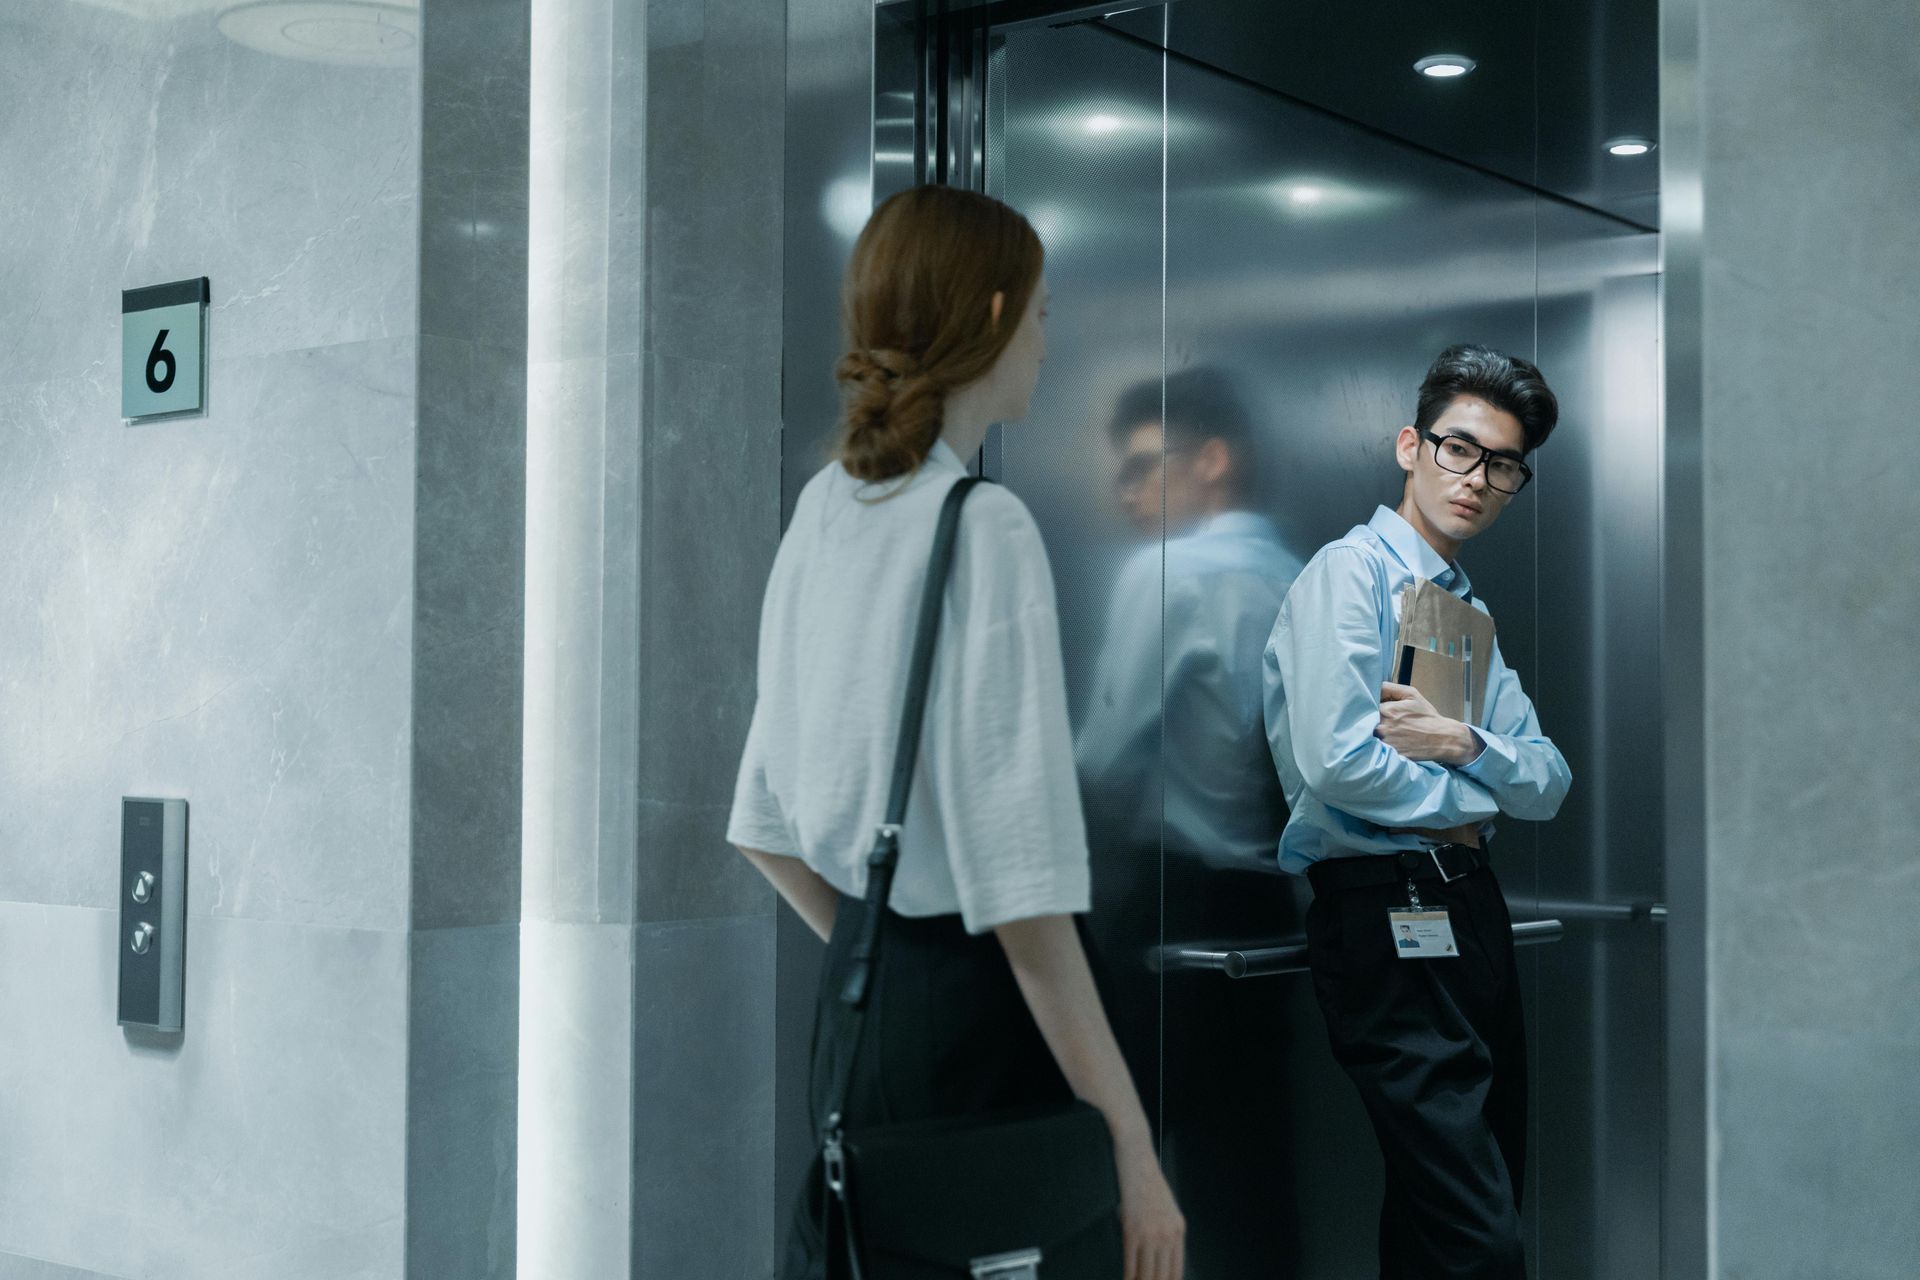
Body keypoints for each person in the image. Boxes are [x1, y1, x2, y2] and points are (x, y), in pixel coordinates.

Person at [727, 184, 1185, 1280]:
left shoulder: (820, 513)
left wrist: (882, 950)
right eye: (1038, 310)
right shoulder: (984, 526)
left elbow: (760, 826)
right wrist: (1135, 1151)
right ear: (991, 312)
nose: (1044, 335)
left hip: (869, 1010)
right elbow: (1023, 900)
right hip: (985, 1028)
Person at [1263, 344, 1573, 1278]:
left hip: (1467, 906)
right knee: (1476, 1234)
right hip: (1384, 907)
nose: (1477, 479)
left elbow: (1551, 780)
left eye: (1504, 464)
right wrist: (1475, 799)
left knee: (1459, 1208)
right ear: (1410, 446)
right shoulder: (1347, 576)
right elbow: (1339, 760)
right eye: (1458, 450)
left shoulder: (1465, 612)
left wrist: (1460, 743)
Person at [1075, 366, 1306, 1275]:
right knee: (1249, 1176)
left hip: (1175, 910)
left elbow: (1100, 757)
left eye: (1144, 465)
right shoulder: (1299, 575)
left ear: (1212, 460)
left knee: (1118, 1173)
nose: (1128, 492)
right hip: (1269, 914)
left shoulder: (1169, 572)